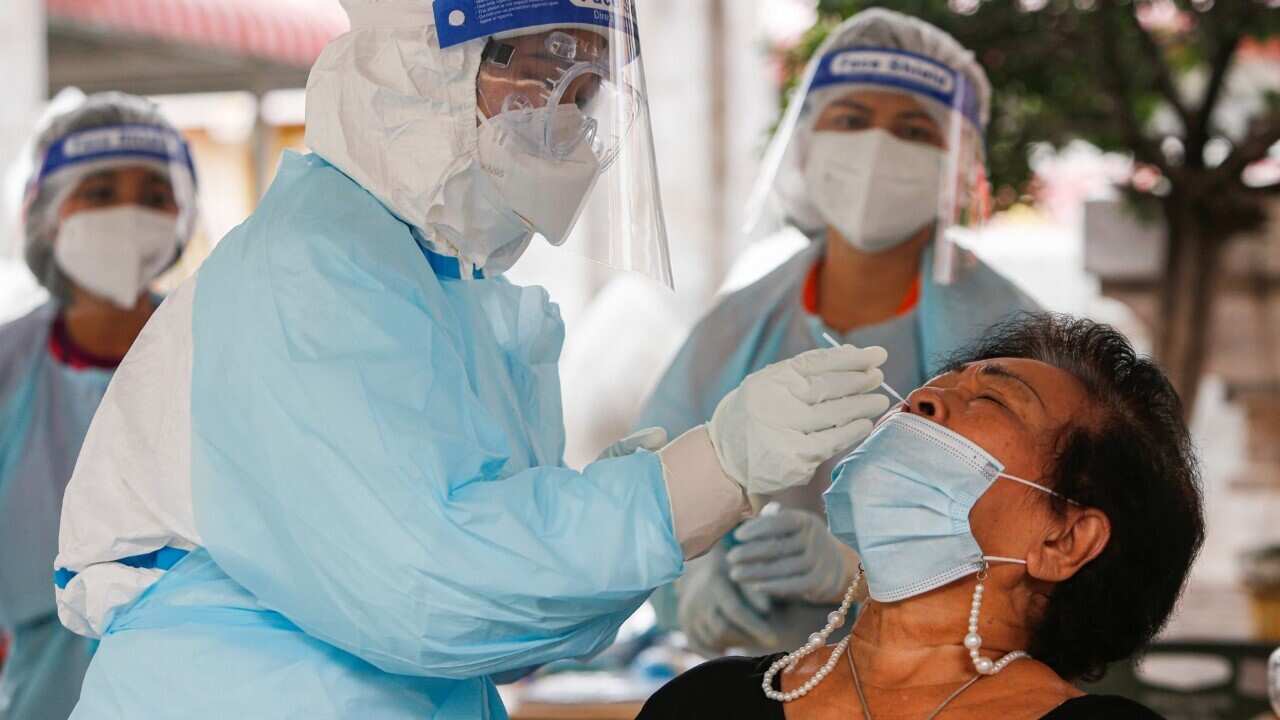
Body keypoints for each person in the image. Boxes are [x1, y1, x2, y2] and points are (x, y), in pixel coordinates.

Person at [51, 2, 892, 718]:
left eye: (586, 92)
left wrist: (660, 502)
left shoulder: (434, 288)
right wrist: (696, 480)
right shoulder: (316, 267)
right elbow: (429, 590)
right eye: (539, 75)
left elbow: (505, 622)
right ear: (423, 67)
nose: (564, 117)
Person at [636, 8, 1041, 654]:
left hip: (950, 683)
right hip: (755, 679)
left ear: (960, 162)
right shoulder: (733, 328)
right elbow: (646, 499)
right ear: (805, 141)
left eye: (914, 129)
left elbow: (1044, 540)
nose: (877, 148)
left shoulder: (1019, 343)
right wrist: (691, 583)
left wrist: (865, 572)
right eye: (851, 120)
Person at [639, 313, 1203, 719]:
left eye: (992, 399)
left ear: (1064, 541)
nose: (918, 403)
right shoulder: (704, 704)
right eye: (928, 388)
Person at [0, 93, 197, 720]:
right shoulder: (8, 370)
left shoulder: (215, 346)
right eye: (102, 192)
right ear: (47, 213)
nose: (129, 215)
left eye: (154, 195)